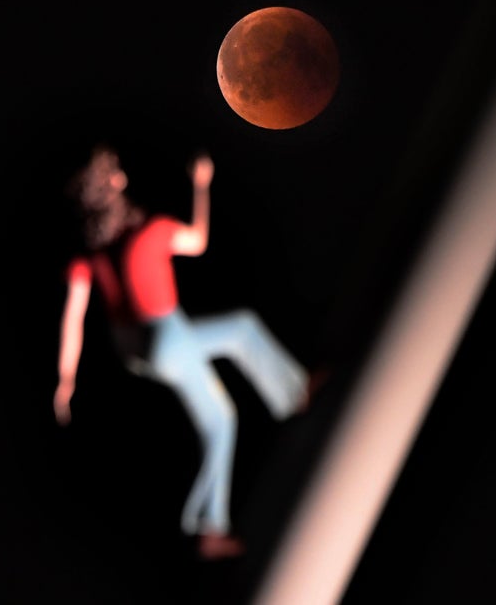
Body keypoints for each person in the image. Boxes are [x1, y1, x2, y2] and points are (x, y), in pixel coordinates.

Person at [52, 144, 314, 560]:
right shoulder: (149, 231)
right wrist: (201, 185)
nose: (121, 176)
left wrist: (66, 380)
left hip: (139, 354)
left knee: (235, 356)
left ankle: (292, 395)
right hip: (168, 339)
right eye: (114, 173)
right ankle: (211, 523)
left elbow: (73, 319)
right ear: (111, 189)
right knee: (229, 391)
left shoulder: (91, 257)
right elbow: (197, 240)